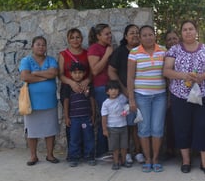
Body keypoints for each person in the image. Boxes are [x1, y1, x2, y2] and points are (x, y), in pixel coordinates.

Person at [163, 20, 205, 176]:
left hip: (203, 94)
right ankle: (186, 161)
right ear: (181, 33)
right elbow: (166, 71)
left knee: (202, 126)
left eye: (191, 29)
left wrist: (201, 77)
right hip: (180, 95)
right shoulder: (174, 50)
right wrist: (183, 76)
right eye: (185, 29)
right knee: (182, 127)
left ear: (196, 32)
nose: (188, 32)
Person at [127, 25, 167, 173]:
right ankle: (147, 159)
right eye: (144, 35)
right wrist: (131, 99)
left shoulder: (163, 51)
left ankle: (155, 159)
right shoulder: (134, 53)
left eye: (151, 34)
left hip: (160, 96)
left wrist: (169, 96)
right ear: (140, 37)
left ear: (155, 35)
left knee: (157, 128)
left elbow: (167, 74)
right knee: (144, 128)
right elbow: (130, 78)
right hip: (141, 96)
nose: (148, 37)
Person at [19, 36, 60, 166]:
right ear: (32, 46)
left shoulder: (51, 60)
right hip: (32, 103)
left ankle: (50, 155)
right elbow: (25, 76)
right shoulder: (26, 60)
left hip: (49, 102)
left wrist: (35, 73)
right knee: (32, 131)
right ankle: (33, 156)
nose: (41, 47)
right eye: (38, 44)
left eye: (43, 45)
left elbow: (53, 73)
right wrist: (44, 76)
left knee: (50, 130)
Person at [108, 24, 145, 165]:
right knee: (127, 125)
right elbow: (111, 71)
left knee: (139, 124)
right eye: (131, 33)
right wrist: (123, 89)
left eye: (137, 33)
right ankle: (127, 151)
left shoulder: (144, 51)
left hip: (143, 93)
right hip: (124, 94)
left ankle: (139, 151)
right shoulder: (120, 52)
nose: (135, 35)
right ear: (125, 36)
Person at [58, 28, 91, 159]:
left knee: (85, 120)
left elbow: (92, 73)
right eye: (72, 37)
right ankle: (73, 154)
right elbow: (60, 74)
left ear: (82, 39)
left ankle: (86, 153)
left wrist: (87, 81)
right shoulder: (63, 54)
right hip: (67, 90)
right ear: (68, 39)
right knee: (70, 121)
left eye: (78, 37)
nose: (75, 40)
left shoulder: (87, 54)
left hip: (84, 89)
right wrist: (72, 83)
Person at [61, 62, 96, 167]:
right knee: (74, 138)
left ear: (84, 73)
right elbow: (66, 101)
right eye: (75, 73)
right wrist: (66, 117)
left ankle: (89, 156)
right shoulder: (68, 86)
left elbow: (92, 100)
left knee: (89, 137)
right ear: (70, 74)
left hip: (86, 117)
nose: (77, 75)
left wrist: (93, 114)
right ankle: (74, 157)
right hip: (74, 118)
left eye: (80, 72)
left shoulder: (88, 85)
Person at [88, 23, 113, 159]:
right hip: (101, 88)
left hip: (111, 87)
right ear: (98, 36)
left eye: (110, 33)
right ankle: (101, 151)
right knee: (104, 118)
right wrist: (107, 55)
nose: (109, 36)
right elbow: (95, 70)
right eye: (106, 34)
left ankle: (109, 149)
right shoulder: (94, 48)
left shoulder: (107, 47)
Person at [101, 80, 130, 170]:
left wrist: (127, 110)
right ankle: (116, 162)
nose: (113, 91)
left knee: (124, 146)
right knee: (115, 147)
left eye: (115, 89)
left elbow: (128, 104)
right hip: (112, 128)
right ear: (107, 91)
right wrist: (105, 129)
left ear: (119, 90)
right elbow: (104, 117)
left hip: (123, 126)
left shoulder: (122, 98)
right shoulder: (106, 103)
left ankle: (124, 161)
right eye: (111, 89)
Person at [163, 30, 180, 159]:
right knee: (170, 123)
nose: (172, 41)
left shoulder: (184, 53)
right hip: (167, 93)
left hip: (184, 93)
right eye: (169, 39)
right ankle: (170, 149)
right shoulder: (163, 55)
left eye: (174, 38)